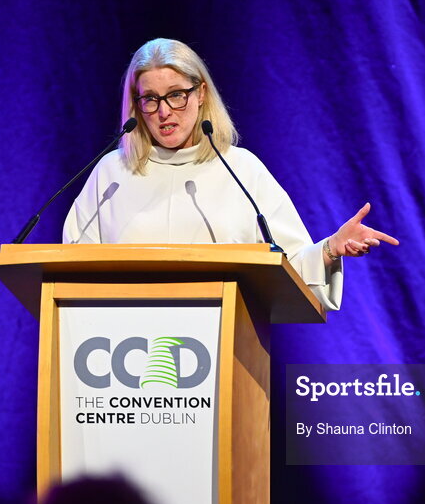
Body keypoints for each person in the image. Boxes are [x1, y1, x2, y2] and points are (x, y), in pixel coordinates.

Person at [63, 38, 398, 310]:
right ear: (136, 105)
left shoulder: (240, 169)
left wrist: (330, 249)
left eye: (176, 95)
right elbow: (72, 272)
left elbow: (287, 266)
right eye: (150, 99)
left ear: (201, 94)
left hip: (221, 348)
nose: (163, 111)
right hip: (119, 351)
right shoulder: (112, 174)